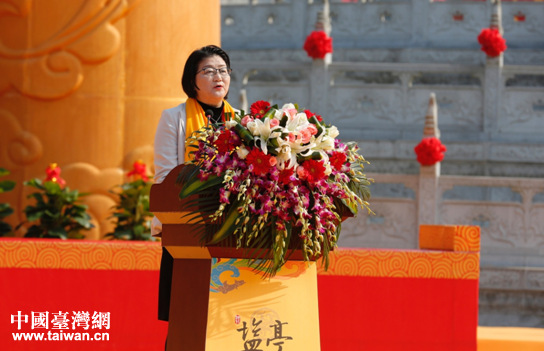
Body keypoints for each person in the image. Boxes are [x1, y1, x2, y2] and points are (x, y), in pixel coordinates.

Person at [151, 45, 235, 323]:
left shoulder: (241, 123)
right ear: (192, 80)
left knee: (225, 320)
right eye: (209, 71)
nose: (218, 77)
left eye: (223, 71)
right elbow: (166, 176)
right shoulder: (174, 118)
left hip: (231, 232)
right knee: (186, 318)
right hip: (186, 229)